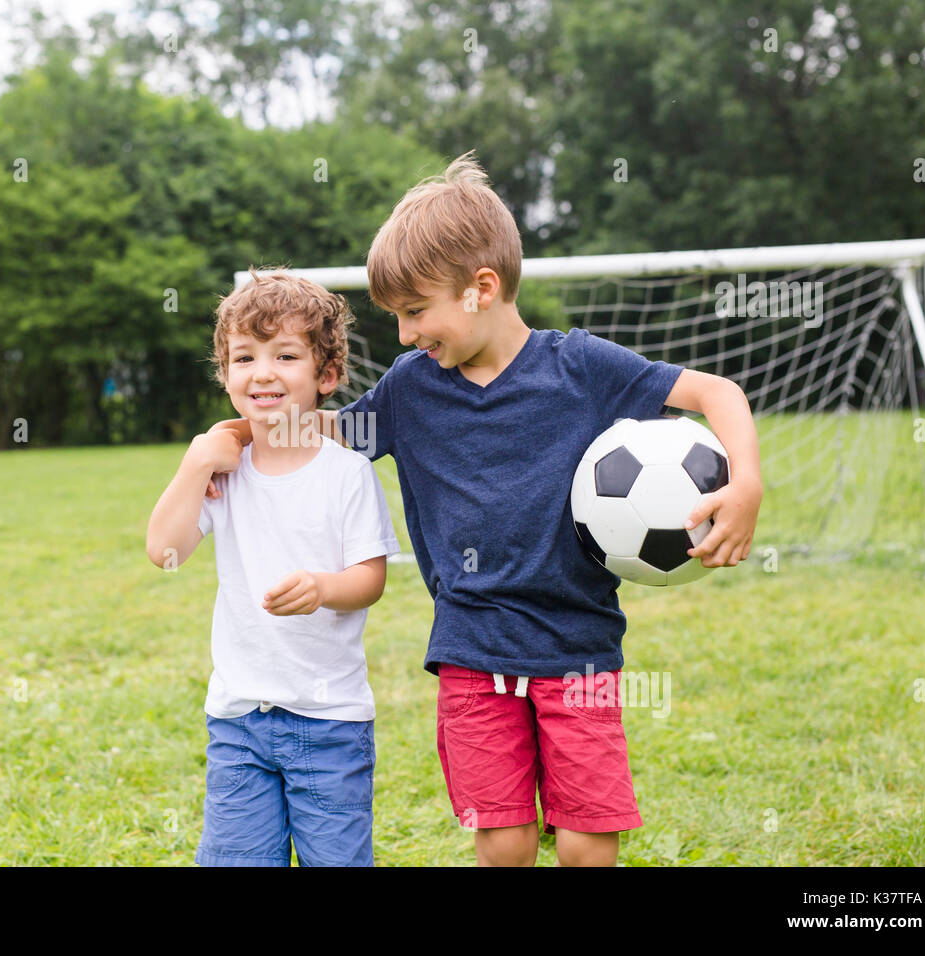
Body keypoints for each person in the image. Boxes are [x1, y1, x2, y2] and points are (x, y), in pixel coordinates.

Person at [206, 153, 763, 866]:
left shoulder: (581, 367)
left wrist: (744, 484)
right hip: (470, 654)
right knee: (501, 842)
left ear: (482, 289)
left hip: (578, 650)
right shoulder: (412, 389)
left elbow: (720, 395)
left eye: (415, 312)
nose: (406, 335)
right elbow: (327, 431)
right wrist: (225, 441)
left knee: (589, 843)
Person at [146, 270, 401, 866]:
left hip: (330, 723)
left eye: (285, 355)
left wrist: (322, 588)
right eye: (244, 357)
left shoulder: (346, 473)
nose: (262, 371)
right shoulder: (224, 473)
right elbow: (165, 552)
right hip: (239, 723)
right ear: (226, 375)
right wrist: (195, 463)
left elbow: (370, 580)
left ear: (327, 375)